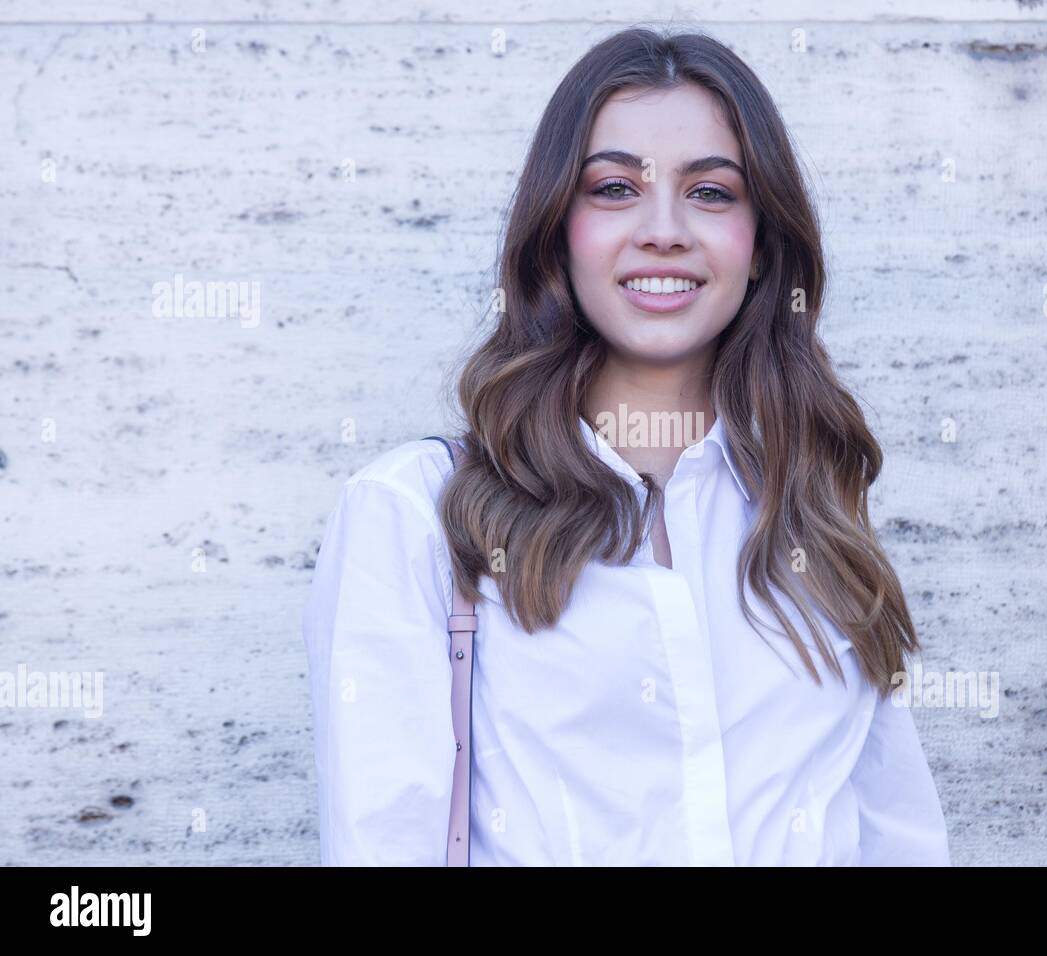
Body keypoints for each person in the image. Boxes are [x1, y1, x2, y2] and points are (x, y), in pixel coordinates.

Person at [301, 26, 951, 866]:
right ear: (556, 233)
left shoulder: (812, 512)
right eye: (613, 188)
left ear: (760, 248)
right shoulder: (415, 516)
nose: (664, 229)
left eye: (712, 193)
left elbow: (899, 839)